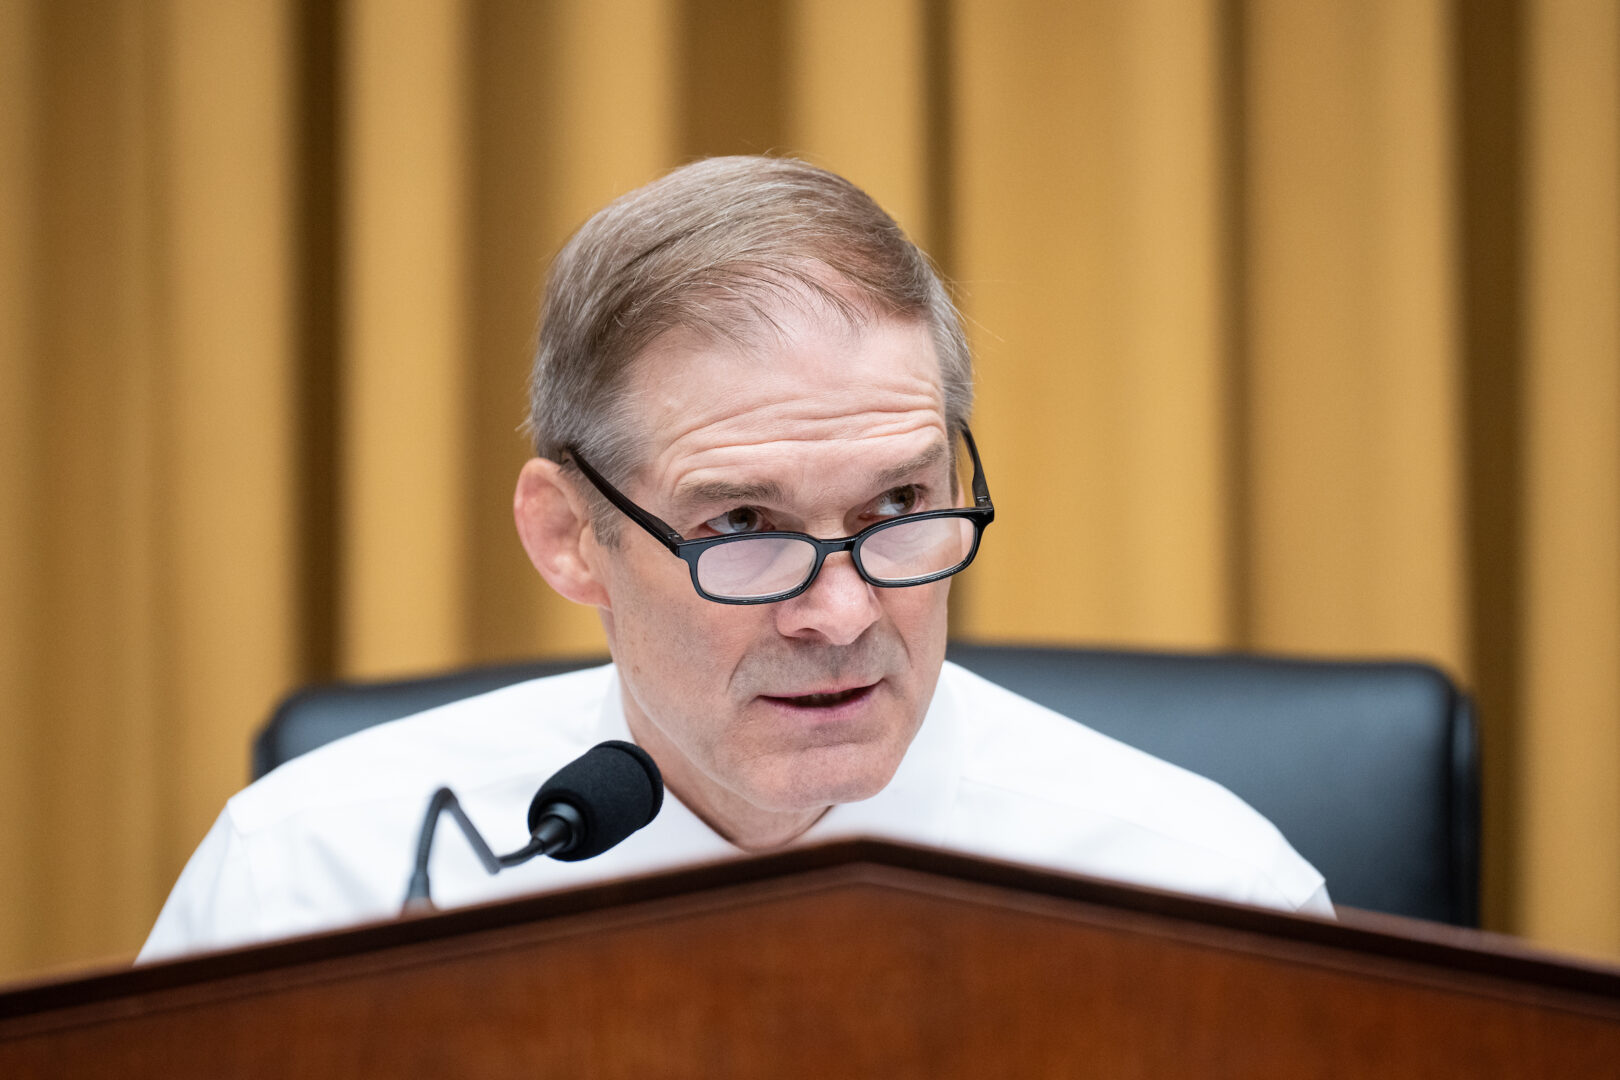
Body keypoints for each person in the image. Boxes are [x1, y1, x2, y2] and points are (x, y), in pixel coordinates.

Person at [139, 156, 1329, 963]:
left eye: (902, 500)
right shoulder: (322, 882)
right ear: (569, 536)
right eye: (744, 527)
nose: (844, 608)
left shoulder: (1204, 905)